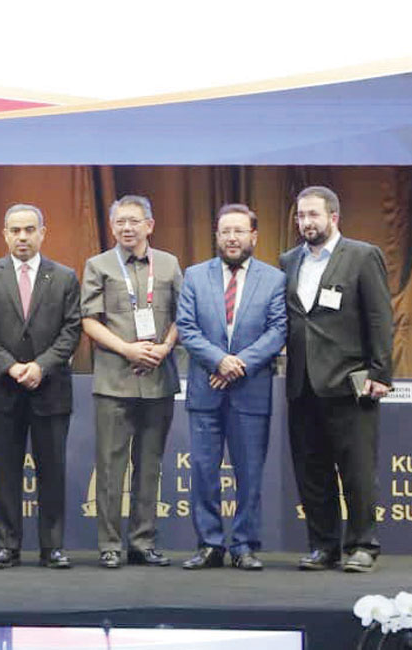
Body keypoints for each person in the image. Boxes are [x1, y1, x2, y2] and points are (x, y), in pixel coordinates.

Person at [280, 185, 393, 573]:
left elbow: (380, 318)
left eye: (313, 215)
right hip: (302, 384)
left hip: (350, 382)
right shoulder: (288, 260)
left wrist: (381, 372)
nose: (306, 222)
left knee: (357, 470)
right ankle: (323, 546)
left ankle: (363, 545)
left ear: (333, 217)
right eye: (300, 216)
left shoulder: (362, 256)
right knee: (312, 472)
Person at [0, 204, 81, 569]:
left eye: (30, 229)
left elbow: (71, 330)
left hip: (50, 389)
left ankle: (52, 548)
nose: (22, 237)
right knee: (4, 472)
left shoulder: (64, 277)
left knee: (52, 471)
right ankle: (7, 546)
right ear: (4, 234)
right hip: (3, 388)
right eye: (15, 230)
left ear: (43, 233)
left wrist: (41, 366)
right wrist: (11, 366)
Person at [176, 204, 286, 570]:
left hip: (251, 390)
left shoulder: (274, 279)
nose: (232, 238)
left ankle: (244, 546)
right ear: (217, 236)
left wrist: (238, 365)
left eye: (239, 231)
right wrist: (219, 361)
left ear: (254, 236)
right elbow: (187, 328)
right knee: (204, 472)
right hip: (206, 391)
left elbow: (277, 331)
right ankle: (209, 544)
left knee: (250, 473)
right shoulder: (194, 276)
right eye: (226, 231)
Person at [80, 195, 182, 569]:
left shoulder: (169, 264)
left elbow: (182, 315)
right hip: (114, 381)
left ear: (149, 225)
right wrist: (127, 349)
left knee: (150, 466)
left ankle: (143, 542)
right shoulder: (98, 265)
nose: (127, 228)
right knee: (110, 467)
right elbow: (89, 320)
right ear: (112, 227)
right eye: (120, 222)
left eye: (134, 221)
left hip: (159, 378)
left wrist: (164, 348)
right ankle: (109, 543)